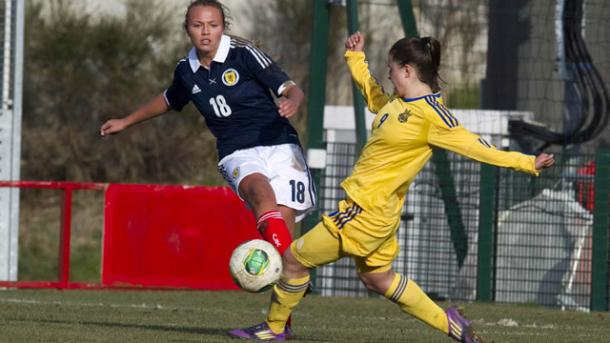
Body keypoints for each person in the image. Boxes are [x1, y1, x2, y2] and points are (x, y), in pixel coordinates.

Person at [228, 32, 555, 342]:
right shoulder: (396, 104)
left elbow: (476, 146)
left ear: (409, 70)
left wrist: (526, 163)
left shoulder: (432, 116)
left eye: (392, 70)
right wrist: (355, 57)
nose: (389, 76)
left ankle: (273, 329)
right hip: (380, 215)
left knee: (294, 259)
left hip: (363, 213)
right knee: (377, 278)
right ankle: (451, 324)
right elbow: (373, 95)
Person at [100, 0, 314, 279]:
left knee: (282, 237)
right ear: (187, 29)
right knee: (261, 193)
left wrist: (293, 101)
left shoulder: (244, 54)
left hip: (280, 143)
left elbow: (290, 88)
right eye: (197, 25)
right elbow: (168, 99)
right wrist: (126, 121)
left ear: (223, 28)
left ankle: (282, 314)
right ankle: (291, 272)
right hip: (237, 151)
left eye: (212, 25)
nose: (205, 32)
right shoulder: (186, 70)